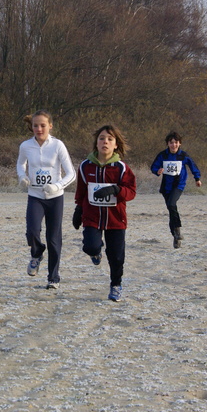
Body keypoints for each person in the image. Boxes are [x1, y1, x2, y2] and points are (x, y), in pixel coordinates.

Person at [73, 124, 136, 302]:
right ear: (96, 143)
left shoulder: (121, 168)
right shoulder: (85, 166)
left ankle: (116, 285)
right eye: (101, 138)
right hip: (92, 217)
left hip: (116, 219)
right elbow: (82, 191)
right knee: (90, 246)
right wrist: (78, 209)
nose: (105, 142)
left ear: (116, 145)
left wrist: (116, 189)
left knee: (116, 256)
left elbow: (131, 192)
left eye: (110, 139)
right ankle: (96, 253)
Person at [16, 110, 76, 289]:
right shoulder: (26, 146)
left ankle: (53, 278)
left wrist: (57, 186)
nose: (39, 129)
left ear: (50, 126)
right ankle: (37, 253)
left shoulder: (58, 145)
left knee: (53, 238)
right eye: (35, 125)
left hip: (55, 198)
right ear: (31, 127)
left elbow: (71, 173)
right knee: (32, 231)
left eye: (43, 125)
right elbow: (20, 164)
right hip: (35, 196)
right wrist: (22, 177)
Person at [150, 131, 202, 248]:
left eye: (176, 142)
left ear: (180, 143)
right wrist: (157, 171)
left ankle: (177, 231)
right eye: (171, 143)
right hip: (166, 187)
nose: (174, 145)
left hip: (179, 185)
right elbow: (153, 166)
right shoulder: (163, 155)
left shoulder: (183, 155)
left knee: (172, 204)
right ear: (168, 144)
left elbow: (193, 166)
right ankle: (175, 235)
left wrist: (197, 178)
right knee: (171, 209)